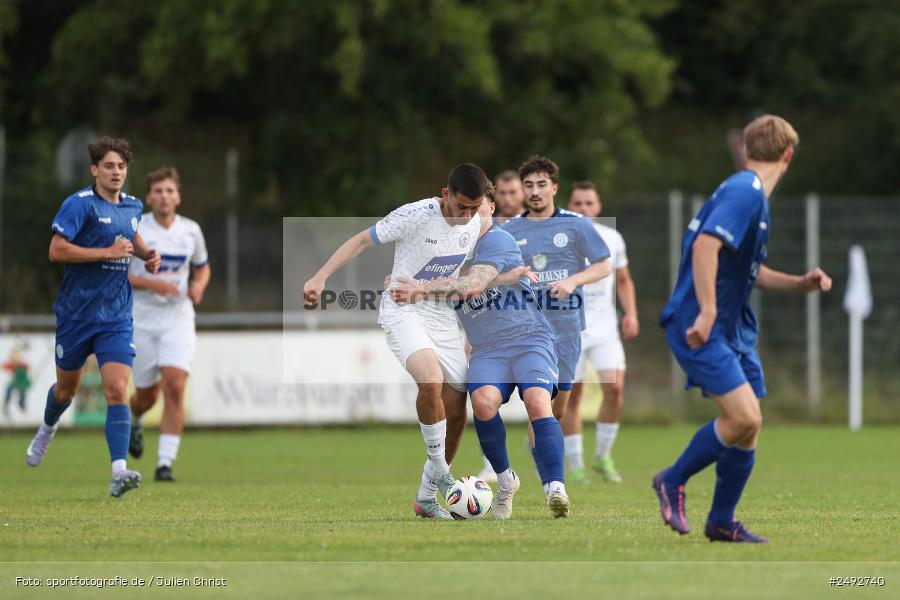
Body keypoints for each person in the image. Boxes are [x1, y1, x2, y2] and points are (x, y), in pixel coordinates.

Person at [653, 115, 832, 542]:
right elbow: (705, 246)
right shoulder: (746, 191)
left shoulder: (748, 194)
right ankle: (672, 479)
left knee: (749, 425)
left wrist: (798, 284)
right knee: (743, 416)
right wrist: (709, 311)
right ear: (788, 155)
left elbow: (749, 270)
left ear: (749, 148)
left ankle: (721, 521)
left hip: (731, 329)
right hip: (703, 324)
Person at [303, 164, 488, 520]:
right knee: (430, 380)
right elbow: (360, 240)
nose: (467, 216)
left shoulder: (477, 218)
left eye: (474, 208)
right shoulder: (415, 215)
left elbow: (471, 262)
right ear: (445, 193)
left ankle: (426, 497)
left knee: (457, 409)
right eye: (461, 207)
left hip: (443, 316)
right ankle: (446, 478)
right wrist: (320, 276)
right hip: (404, 310)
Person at [391, 195, 570, 518]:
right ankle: (505, 482)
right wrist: (403, 280)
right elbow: (444, 279)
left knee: (537, 402)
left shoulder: (497, 238)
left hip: (529, 339)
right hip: (487, 348)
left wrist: (420, 286)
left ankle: (556, 488)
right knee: (484, 403)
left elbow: (472, 284)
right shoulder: (451, 246)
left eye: (482, 206)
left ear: (490, 209)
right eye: (468, 208)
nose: (474, 213)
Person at [25, 136, 161, 497]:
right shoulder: (78, 205)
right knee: (66, 390)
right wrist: (107, 251)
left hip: (116, 316)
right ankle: (47, 428)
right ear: (94, 170)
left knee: (117, 389)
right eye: (109, 166)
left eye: (121, 166)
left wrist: (147, 255)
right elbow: (57, 250)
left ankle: (119, 471)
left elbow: (129, 234)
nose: (116, 172)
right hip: (76, 314)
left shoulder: (132, 205)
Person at [501, 155, 611, 500]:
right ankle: (553, 484)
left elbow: (604, 265)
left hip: (566, 332)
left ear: (554, 188)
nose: (534, 191)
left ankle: (542, 452)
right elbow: (494, 275)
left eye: (541, 184)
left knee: (557, 410)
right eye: (528, 185)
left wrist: (573, 281)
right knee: (541, 406)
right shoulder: (509, 230)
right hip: (528, 334)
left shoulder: (577, 225)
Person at [127, 167, 211, 483]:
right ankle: (136, 419)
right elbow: (119, 273)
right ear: (149, 197)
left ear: (178, 196)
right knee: (146, 396)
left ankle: (164, 464)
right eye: (158, 191)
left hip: (178, 318)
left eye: (169, 190)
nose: (164, 196)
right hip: (142, 320)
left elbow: (202, 268)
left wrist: (199, 286)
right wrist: (152, 284)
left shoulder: (191, 231)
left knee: (175, 386)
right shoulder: (137, 229)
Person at [562, 181, 639, 484]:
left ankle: (603, 456)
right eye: (578, 203)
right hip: (571, 328)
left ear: (599, 207)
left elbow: (623, 280)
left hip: (605, 328)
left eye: (589, 203)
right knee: (573, 395)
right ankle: (577, 465)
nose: (583, 209)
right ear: (569, 205)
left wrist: (631, 312)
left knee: (615, 389)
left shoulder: (612, 238)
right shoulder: (561, 236)